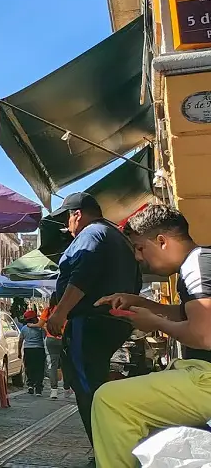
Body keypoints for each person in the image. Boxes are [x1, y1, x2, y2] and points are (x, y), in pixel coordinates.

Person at [90, 205, 211, 468]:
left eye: (140, 248)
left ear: (162, 241)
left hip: (207, 379)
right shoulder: (200, 261)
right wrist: (142, 303)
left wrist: (155, 322)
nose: (137, 257)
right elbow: (189, 315)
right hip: (202, 374)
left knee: (110, 400)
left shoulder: (197, 264)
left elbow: (204, 335)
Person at [44, 192, 141, 448]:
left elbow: (83, 273)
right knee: (94, 381)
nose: (67, 225)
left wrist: (60, 312)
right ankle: (110, 447)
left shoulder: (91, 234)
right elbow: (136, 282)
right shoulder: (118, 237)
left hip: (90, 321)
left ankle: (105, 450)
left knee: (87, 386)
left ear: (77, 214)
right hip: (114, 321)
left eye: (67, 218)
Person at [41, 305, 70, 399]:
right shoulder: (66, 308)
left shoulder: (48, 310)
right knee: (66, 364)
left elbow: (40, 324)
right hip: (64, 339)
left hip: (51, 339)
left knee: (53, 365)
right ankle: (66, 388)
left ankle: (54, 391)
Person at [18, 309, 47, 396]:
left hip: (28, 349)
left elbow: (20, 340)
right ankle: (38, 388)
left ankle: (30, 385)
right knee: (39, 369)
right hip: (39, 349)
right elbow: (45, 336)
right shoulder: (40, 328)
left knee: (29, 368)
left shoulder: (24, 329)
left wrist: (19, 352)